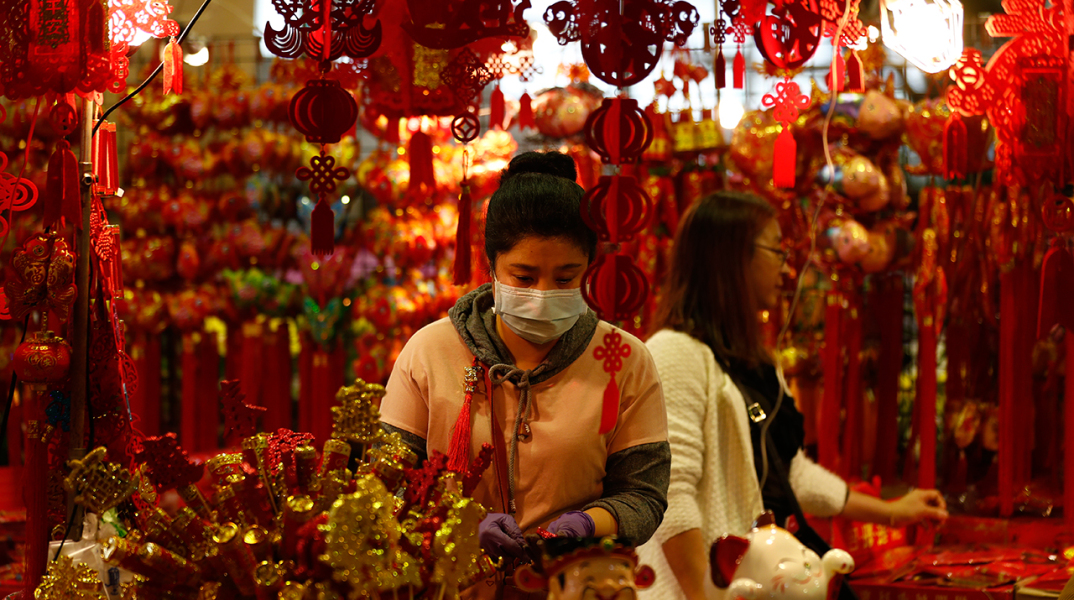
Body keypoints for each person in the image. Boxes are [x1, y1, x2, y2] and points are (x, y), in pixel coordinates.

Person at [379, 151, 671, 599]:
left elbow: (644, 496)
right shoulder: (428, 352)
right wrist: (461, 525)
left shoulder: (624, 359)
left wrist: (592, 523)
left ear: (589, 269)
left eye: (564, 278)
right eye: (524, 275)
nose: (542, 295)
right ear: (491, 266)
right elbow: (383, 490)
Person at [637, 191, 948, 600]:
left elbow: (791, 473)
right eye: (777, 251)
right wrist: (704, 595)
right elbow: (669, 494)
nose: (786, 269)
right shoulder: (674, 353)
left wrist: (893, 511)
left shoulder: (756, 361)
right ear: (732, 260)